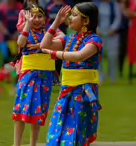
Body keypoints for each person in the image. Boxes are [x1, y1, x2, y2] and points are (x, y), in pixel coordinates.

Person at [40, 3, 103, 146]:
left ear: (86, 21)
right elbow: (44, 45)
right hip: (66, 91)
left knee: (77, 129)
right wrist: (56, 22)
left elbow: (79, 56)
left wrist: (55, 54)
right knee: (58, 126)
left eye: (74, 15)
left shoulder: (94, 40)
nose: (70, 18)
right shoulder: (69, 40)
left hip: (82, 92)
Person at [12, 5, 64, 146]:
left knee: (39, 111)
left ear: (45, 19)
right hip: (28, 75)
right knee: (22, 109)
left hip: (45, 76)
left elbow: (63, 39)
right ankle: (17, 144)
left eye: (39, 16)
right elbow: (20, 43)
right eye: (33, 16)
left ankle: (33, 144)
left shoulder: (49, 31)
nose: (36, 19)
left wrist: (42, 45)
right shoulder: (26, 31)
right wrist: (27, 25)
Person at [95, 0, 121, 84]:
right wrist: (97, 29)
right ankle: (100, 77)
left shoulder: (115, 5)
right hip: (99, 33)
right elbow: (93, 18)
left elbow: (118, 18)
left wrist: (113, 29)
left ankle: (113, 77)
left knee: (112, 56)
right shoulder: (96, 4)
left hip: (112, 34)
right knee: (99, 55)